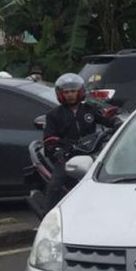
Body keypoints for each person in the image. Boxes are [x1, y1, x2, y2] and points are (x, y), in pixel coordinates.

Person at [43, 73, 118, 206]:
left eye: (73, 91)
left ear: (80, 91)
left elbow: (107, 120)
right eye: (66, 92)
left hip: (93, 151)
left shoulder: (90, 109)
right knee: (55, 185)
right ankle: (47, 216)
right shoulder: (53, 115)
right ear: (60, 94)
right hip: (67, 155)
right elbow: (49, 138)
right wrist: (57, 151)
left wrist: (117, 123)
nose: (70, 94)